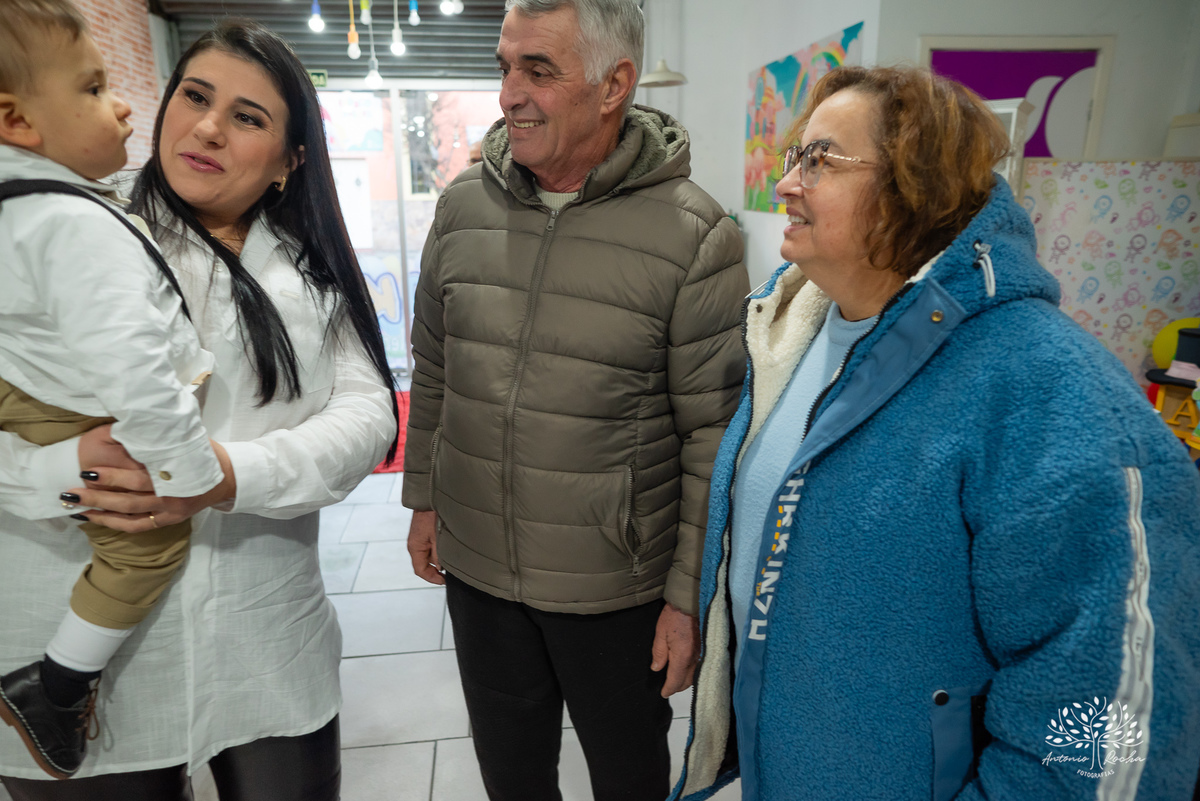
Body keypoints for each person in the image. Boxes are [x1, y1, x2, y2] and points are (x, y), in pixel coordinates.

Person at [670, 65, 1200, 801]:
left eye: (818, 160)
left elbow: (1110, 734)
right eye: (794, 158)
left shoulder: (1056, 397)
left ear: (913, 186)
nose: (785, 184)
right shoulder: (791, 333)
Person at [0, 18, 398, 801]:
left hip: (266, 634)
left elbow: (367, 416)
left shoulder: (309, 281)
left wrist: (224, 476)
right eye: (195, 96)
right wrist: (60, 471)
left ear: (290, 163)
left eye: (248, 118)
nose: (208, 128)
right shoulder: (57, 233)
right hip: (76, 643)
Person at [401, 0, 747, 798]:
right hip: (481, 569)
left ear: (614, 84)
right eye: (504, 66)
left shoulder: (696, 236)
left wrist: (687, 597)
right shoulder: (460, 210)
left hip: (614, 585)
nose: (509, 93)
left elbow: (712, 436)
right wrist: (424, 497)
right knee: (511, 775)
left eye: (539, 70)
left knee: (628, 777)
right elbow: (437, 365)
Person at [0, 0, 227, 779]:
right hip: (67, 409)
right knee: (149, 541)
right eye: (95, 88)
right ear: (17, 119)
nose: (127, 102)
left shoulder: (39, 211)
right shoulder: (74, 223)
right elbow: (135, 369)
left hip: (34, 388)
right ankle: (54, 684)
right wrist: (189, 475)